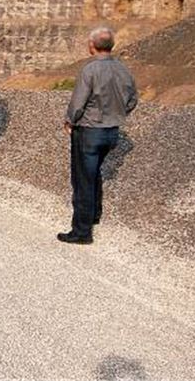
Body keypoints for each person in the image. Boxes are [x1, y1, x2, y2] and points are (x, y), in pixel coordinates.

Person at [58, 27, 138, 245]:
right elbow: (132, 100)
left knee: (83, 178)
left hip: (89, 131)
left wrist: (69, 121)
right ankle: (94, 215)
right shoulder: (123, 69)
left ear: (92, 45)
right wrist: (117, 114)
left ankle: (82, 232)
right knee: (94, 173)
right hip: (112, 131)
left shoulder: (90, 70)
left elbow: (78, 102)